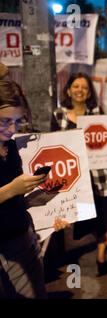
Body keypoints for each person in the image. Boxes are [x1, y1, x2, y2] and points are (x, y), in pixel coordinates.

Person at [51, 72, 107, 276]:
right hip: (77, 177)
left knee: (102, 215)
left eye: (84, 87)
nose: (80, 90)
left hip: (102, 174)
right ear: (68, 90)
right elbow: (55, 147)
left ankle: (102, 257)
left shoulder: (96, 111)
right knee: (86, 218)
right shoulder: (59, 115)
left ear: (88, 92)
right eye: (76, 86)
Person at [0, 79, 48, 298]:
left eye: (18, 121)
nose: (12, 129)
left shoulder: (10, 145)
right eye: (5, 121)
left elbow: (13, 199)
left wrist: (34, 201)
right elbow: (9, 190)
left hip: (22, 238)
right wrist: (11, 189)